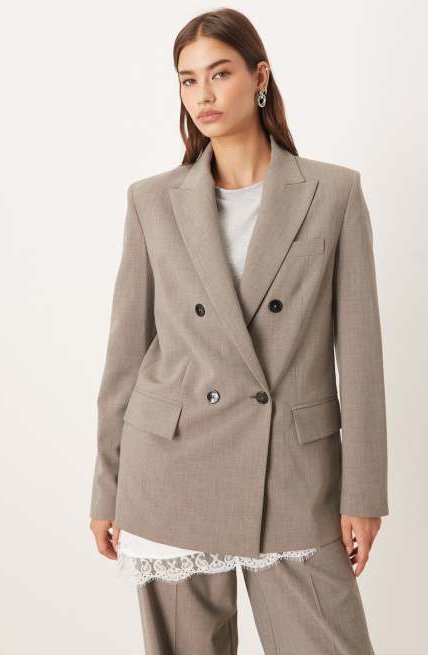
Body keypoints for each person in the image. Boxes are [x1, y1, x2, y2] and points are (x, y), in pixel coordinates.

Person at [89, 8, 388, 654]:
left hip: (293, 473)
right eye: (187, 80)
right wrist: (107, 487)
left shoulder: (333, 193)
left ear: (259, 77)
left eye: (219, 74)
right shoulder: (151, 200)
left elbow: (361, 357)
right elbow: (125, 357)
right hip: (169, 468)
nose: (202, 94)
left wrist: (363, 492)